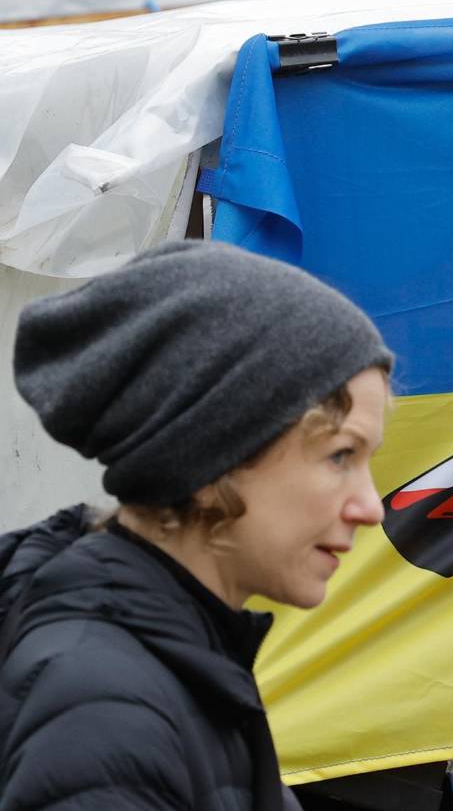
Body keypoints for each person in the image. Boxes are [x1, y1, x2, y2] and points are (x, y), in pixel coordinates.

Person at [0, 240, 395, 810]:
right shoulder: (107, 712)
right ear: (215, 457)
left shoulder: (177, 664)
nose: (371, 506)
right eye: (340, 456)